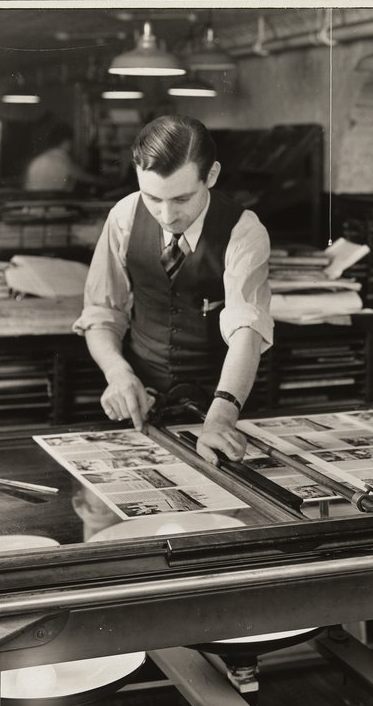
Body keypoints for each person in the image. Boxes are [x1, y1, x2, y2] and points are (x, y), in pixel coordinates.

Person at [72, 115, 271, 466]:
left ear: (210, 175)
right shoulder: (124, 217)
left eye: (181, 199)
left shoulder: (244, 230)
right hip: (142, 398)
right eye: (153, 198)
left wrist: (221, 417)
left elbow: (247, 332)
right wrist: (118, 373)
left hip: (224, 401)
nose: (166, 215)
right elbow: (103, 313)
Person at [23, 123, 111, 193]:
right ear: (67, 142)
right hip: (55, 210)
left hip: (32, 209)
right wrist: (111, 183)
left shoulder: (37, 161)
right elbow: (88, 179)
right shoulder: (63, 161)